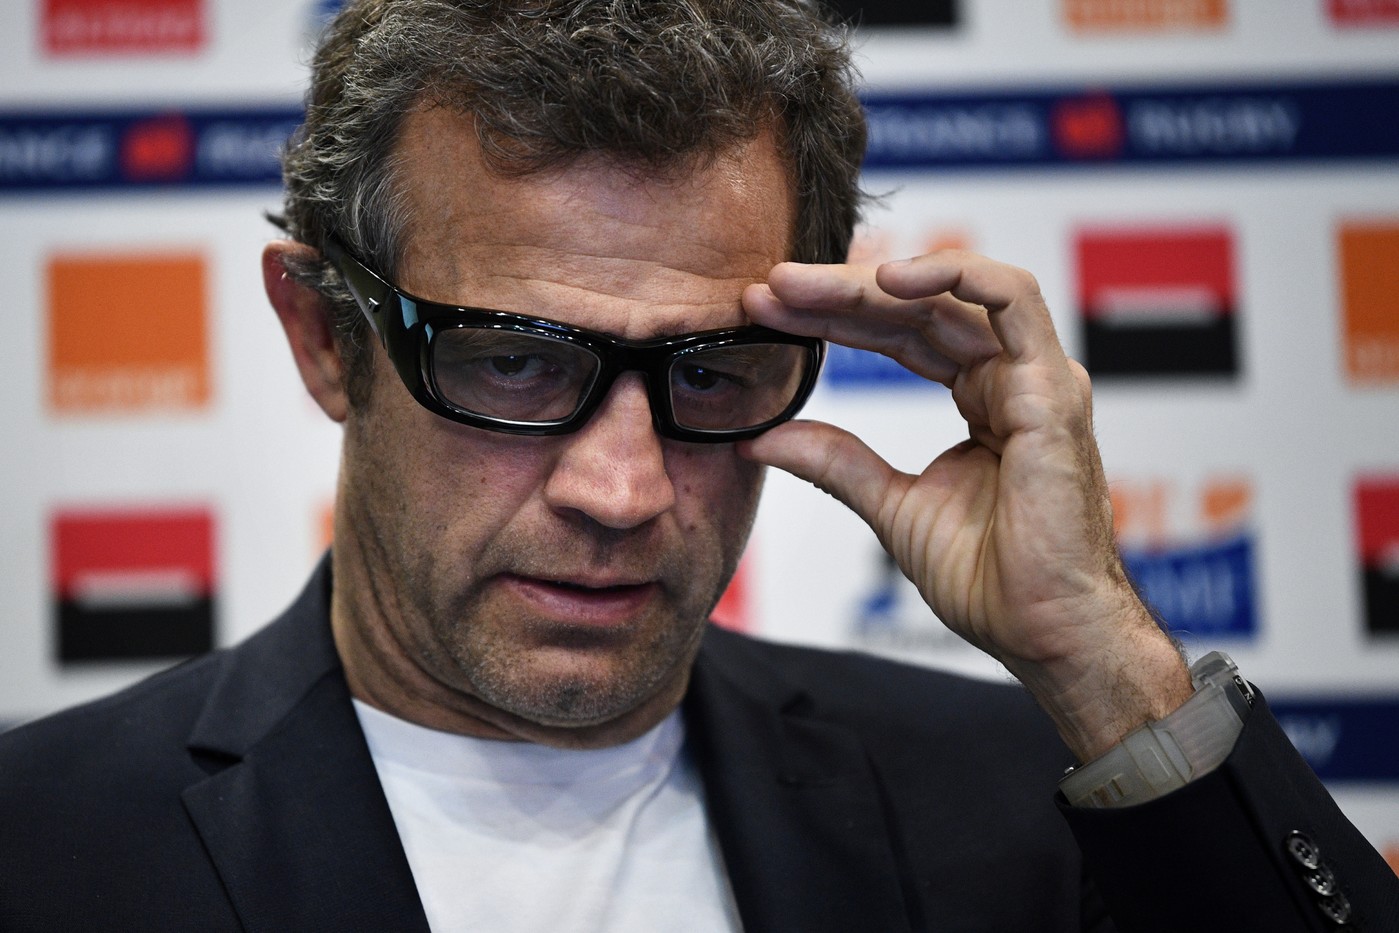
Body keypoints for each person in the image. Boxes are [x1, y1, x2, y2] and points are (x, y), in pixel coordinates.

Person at [1, 1, 1395, 930]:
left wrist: (1101, 658)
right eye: (514, 363)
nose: (622, 492)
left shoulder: (1023, 803)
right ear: (326, 337)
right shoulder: (44, 846)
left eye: (711, 373)